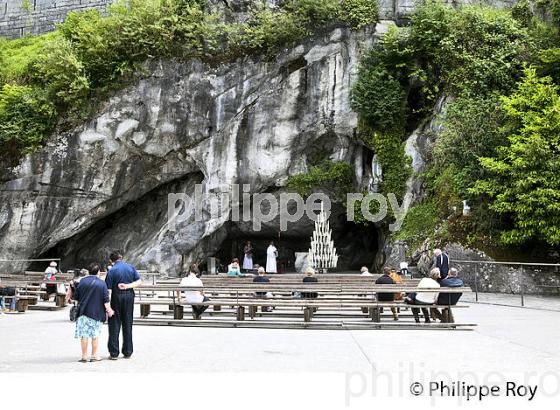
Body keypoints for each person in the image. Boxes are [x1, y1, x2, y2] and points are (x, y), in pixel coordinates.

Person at [105, 251, 142, 360]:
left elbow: (108, 290)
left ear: (111, 261)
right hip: (129, 296)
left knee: (114, 324)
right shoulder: (130, 267)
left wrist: (108, 307)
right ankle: (128, 351)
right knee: (128, 323)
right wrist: (127, 286)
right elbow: (139, 281)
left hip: (116, 297)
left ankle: (114, 353)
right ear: (121, 258)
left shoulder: (112, 270)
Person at [74, 263, 114, 362]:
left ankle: (84, 356)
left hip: (83, 312)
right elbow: (106, 300)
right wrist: (109, 311)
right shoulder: (102, 283)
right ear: (98, 272)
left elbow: (77, 297)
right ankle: (94, 356)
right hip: (96, 313)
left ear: (88, 271)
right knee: (95, 335)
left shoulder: (82, 281)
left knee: (84, 335)